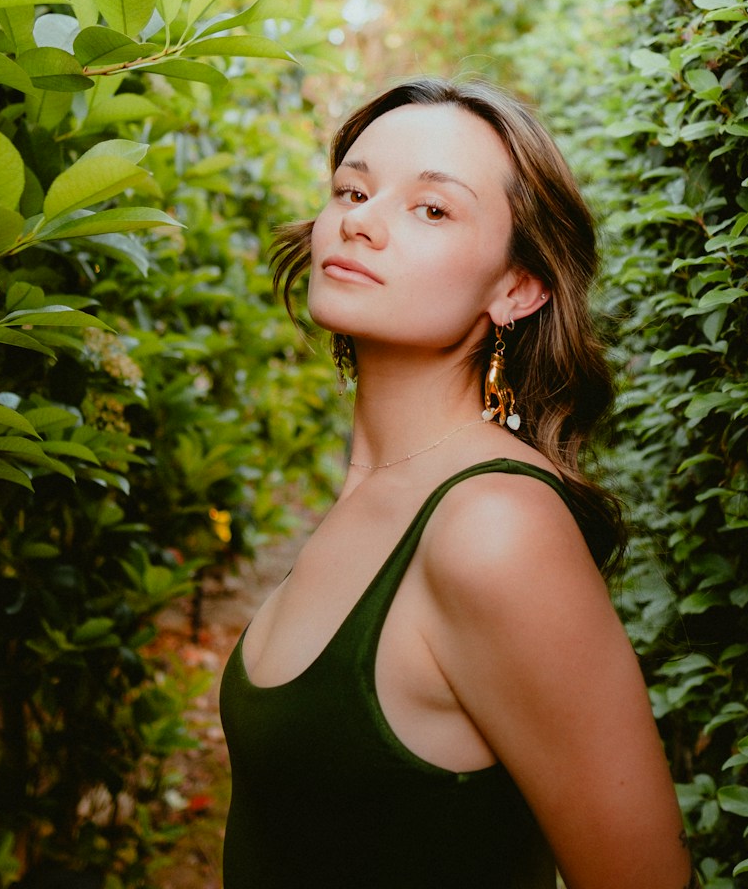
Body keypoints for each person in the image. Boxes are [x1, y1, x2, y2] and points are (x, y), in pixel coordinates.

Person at [217, 77, 694, 888]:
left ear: (517, 287)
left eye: (431, 208)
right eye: (353, 189)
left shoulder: (494, 525)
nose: (360, 220)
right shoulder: (379, 491)